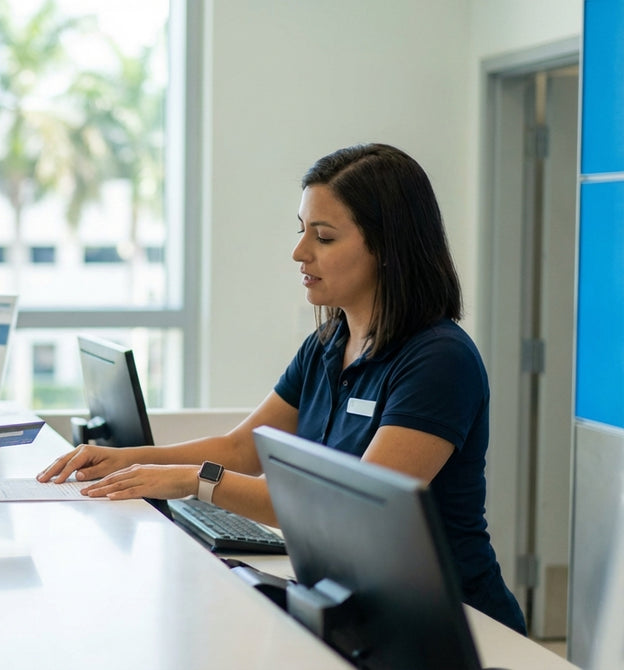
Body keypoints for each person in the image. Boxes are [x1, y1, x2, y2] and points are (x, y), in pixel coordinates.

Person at [38, 143, 527, 635]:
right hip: (363, 609)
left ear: (387, 248)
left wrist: (195, 481)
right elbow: (240, 447)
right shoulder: (328, 343)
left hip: (458, 624)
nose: (300, 252)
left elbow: (354, 513)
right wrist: (132, 459)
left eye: (325, 237)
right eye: (302, 231)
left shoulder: (438, 360)